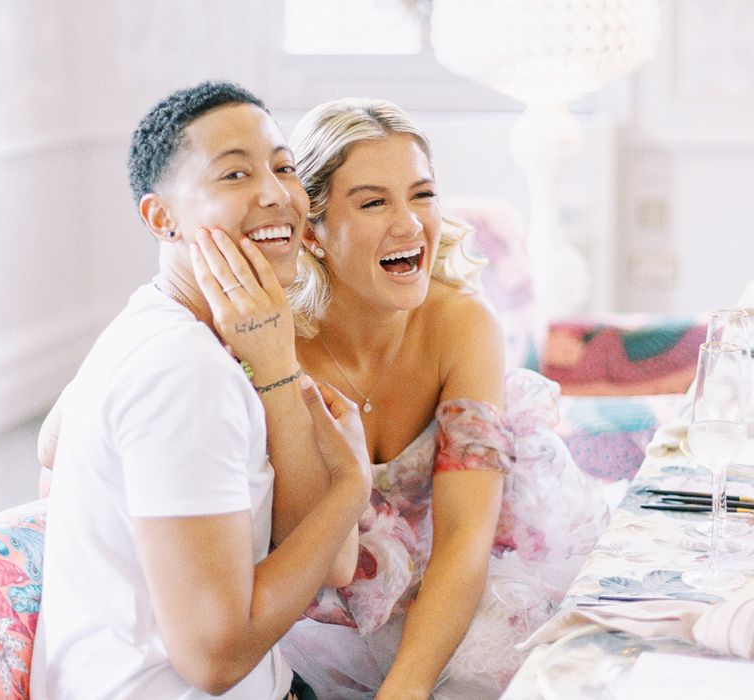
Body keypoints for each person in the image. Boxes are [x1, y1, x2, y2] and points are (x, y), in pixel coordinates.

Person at [30, 81, 371, 700]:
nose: (276, 193)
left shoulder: (171, 322)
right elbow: (214, 661)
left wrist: (276, 371)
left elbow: (331, 562)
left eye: (282, 167)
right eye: (234, 175)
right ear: (163, 219)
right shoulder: (184, 368)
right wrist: (352, 487)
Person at [270, 98, 610, 699]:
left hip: (471, 580)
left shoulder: (461, 325)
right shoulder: (277, 351)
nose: (409, 224)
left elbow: (463, 541)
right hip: (330, 611)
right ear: (313, 231)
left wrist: (404, 690)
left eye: (422, 194)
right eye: (374, 202)